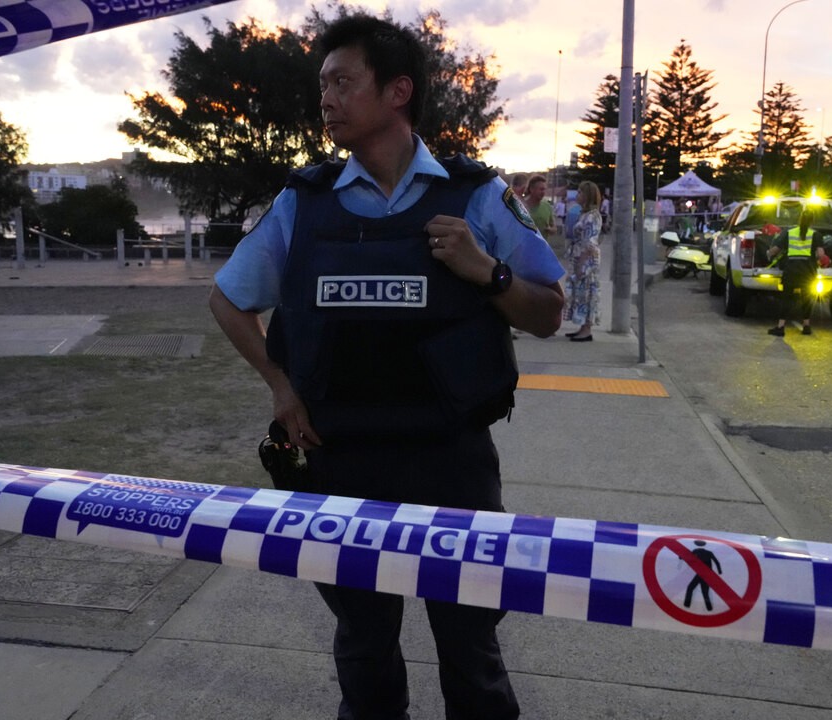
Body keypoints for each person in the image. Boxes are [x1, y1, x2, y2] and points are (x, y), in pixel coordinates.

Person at [207, 15, 565, 720]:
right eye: (322, 87)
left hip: (451, 460)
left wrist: (485, 270)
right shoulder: (304, 204)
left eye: (343, 81)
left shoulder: (475, 196)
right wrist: (281, 388)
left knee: (470, 649)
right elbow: (227, 301)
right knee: (364, 648)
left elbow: (550, 310)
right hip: (342, 460)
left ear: (398, 90)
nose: (327, 99)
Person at [766, 207, 827, 337]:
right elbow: (821, 255)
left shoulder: (789, 232)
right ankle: (806, 326)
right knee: (807, 298)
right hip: (808, 271)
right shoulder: (816, 235)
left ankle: (781, 327)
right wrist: (814, 259)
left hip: (791, 270)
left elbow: (775, 249)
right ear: (812, 221)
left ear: (799, 219)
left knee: (786, 299)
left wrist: (768, 254)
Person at [564, 180, 602, 342]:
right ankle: (582, 326)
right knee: (579, 293)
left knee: (586, 293)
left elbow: (590, 242)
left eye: (580, 192)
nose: (577, 195)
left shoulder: (593, 216)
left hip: (586, 259)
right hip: (579, 256)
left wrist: (582, 263)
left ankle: (587, 329)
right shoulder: (584, 214)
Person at [524, 174, 555, 241]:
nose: (543, 192)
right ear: (532, 189)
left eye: (544, 189)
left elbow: (554, 228)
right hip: (524, 247)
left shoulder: (547, 206)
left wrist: (550, 230)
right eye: (541, 189)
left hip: (542, 248)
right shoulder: (521, 206)